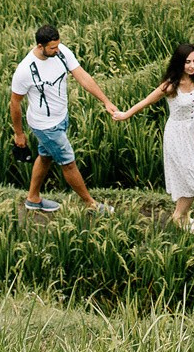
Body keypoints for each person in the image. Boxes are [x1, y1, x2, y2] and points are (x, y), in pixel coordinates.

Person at [111, 41, 194, 231]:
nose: (192, 65)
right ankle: (178, 216)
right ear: (179, 62)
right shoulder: (171, 85)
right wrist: (125, 115)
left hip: (192, 133)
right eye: (187, 62)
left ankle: (182, 216)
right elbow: (147, 101)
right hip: (176, 134)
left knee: (188, 176)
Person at [9, 22, 117, 214]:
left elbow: (82, 76)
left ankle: (33, 199)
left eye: (58, 45)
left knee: (45, 157)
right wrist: (19, 134)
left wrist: (106, 101)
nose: (57, 50)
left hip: (61, 118)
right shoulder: (25, 70)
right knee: (68, 162)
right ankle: (90, 204)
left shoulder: (61, 52)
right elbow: (15, 103)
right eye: (52, 48)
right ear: (40, 46)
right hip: (45, 126)